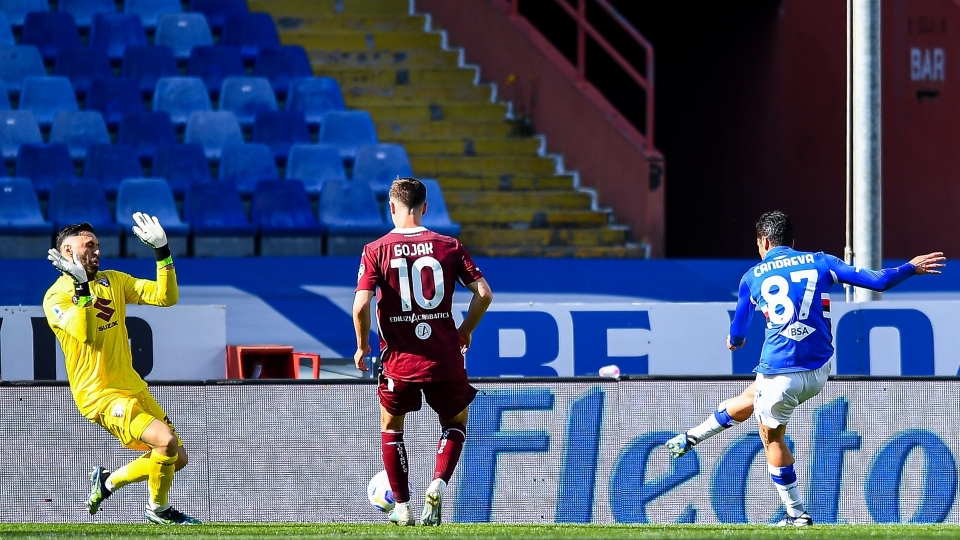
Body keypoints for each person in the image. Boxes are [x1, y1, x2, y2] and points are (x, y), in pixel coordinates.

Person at [666, 210, 944, 526]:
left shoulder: (752, 277)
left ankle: (796, 515)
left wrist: (734, 340)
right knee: (750, 398)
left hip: (781, 375)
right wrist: (910, 267)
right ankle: (690, 438)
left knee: (771, 438)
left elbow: (738, 334)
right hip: (819, 369)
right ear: (793, 242)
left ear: (763, 241)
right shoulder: (820, 261)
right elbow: (878, 281)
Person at [43, 215, 200, 525]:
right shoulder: (55, 298)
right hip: (100, 395)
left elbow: (166, 297)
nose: (97, 252)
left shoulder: (112, 280)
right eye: (88, 246)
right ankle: (159, 510)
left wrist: (162, 251)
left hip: (132, 385)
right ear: (66, 252)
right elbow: (85, 333)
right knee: (165, 442)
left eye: (97, 246)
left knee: (176, 457)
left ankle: (107, 482)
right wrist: (80, 286)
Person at [353, 177, 493, 527]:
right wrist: (464, 330)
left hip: (400, 361)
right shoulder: (449, 245)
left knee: (391, 427)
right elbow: (485, 294)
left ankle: (401, 507)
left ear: (391, 207)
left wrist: (362, 346)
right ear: (426, 207)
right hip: (444, 356)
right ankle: (438, 482)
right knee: (456, 422)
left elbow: (359, 306)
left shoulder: (376, 249)